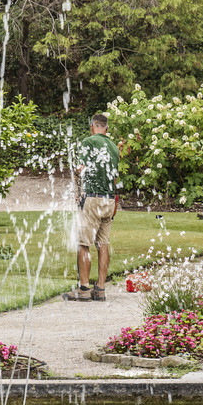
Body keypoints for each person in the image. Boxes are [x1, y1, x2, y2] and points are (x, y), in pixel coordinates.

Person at [67, 113, 120, 302]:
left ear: (92, 126)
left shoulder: (89, 142)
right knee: (103, 243)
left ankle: (83, 289)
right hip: (110, 199)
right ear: (106, 128)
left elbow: (80, 168)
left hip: (92, 198)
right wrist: (115, 201)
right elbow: (114, 178)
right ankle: (101, 288)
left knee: (84, 243)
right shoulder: (114, 147)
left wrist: (76, 186)